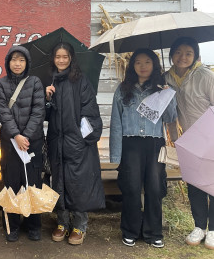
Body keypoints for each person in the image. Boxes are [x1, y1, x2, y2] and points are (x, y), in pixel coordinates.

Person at [110, 48, 177, 249]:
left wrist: (168, 96)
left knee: (155, 188)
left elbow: (171, 118)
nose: (143, 66)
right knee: (130, 187)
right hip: (130, 143)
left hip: (155, 143)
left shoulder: (160, 89)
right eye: (138, 62)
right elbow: (116, 122)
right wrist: (116, 153)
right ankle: (130, 230)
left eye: (147, 62)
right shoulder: (122, 89)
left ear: (154, 65)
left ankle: (153, 232)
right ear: (132, 66)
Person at [44, 42, 104, 245]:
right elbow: (43, 115)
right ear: (53, 59)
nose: (61, 60)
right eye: (57, 57)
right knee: (58, 181)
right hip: (56, 141)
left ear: (71, 59)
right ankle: (62, 222)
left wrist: (80, 137)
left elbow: (90, 111)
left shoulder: (81, 81)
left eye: (65, 57)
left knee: (78, 182)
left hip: (76, 143)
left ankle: (80, 225)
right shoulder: (50, 81)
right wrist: (47, 98)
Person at [164, 37, 214, 249]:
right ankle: (199, 226)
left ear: (195, 55)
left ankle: (213, 230)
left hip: (210, 136)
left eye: (188, 53)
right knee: (195, 184)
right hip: (186, 140)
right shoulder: (167, 78)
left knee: (212, 184)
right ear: (172, 54)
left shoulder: (206, 76)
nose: (182, 57)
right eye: (178, 52)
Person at [0, 45, 45, 242]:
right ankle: (12, 225)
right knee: (12, 184)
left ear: (27, 63)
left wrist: (27, 136)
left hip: (33, 143)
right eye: (14, 59)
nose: (17, 63)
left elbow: (39, 110)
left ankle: (33, 225)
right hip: (11, 144)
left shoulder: (35, 82)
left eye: (21, 60)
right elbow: (2, 112)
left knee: (33, 184)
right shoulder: (1, 84)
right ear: (8, 62)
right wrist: (16, 135)